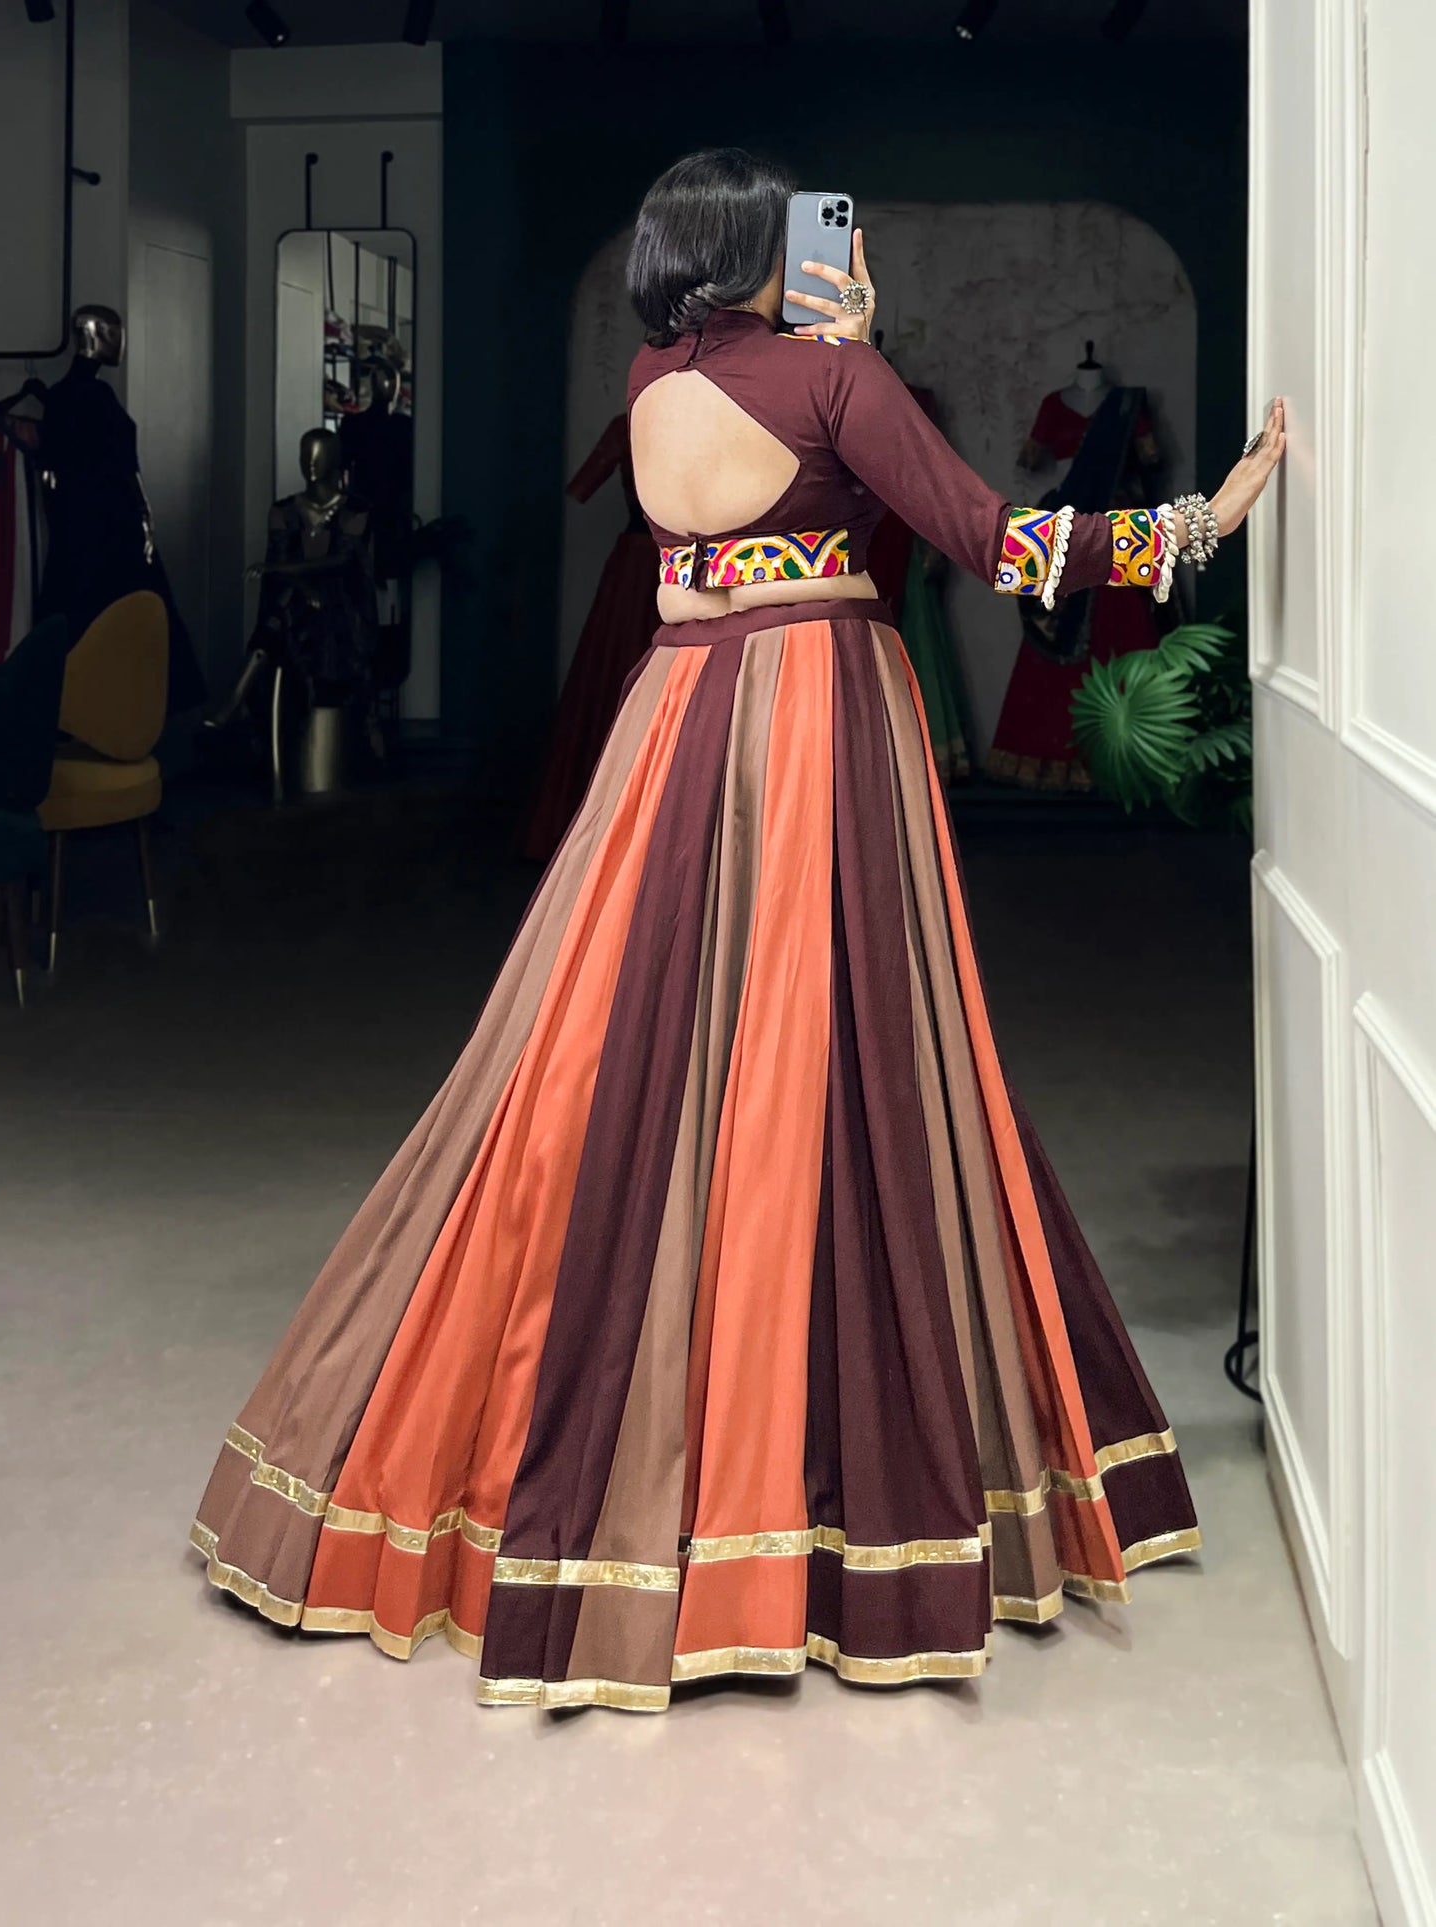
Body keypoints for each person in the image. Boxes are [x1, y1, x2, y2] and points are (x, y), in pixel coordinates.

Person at [190, 149, 1285, 1712]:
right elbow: (1004, 548)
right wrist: (1206, 515)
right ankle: (819, 1486)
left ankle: (565, 1460)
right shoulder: (834, 378)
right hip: (812, 720)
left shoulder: (653, 376)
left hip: (675, 717)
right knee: (835, 1061)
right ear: (760, 251)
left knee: (612, 1057)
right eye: (795, 233)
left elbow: (709, 541)